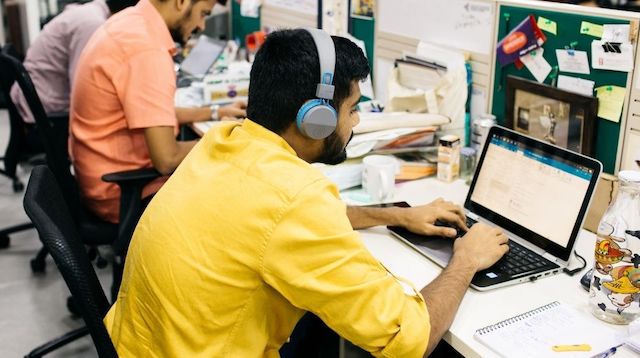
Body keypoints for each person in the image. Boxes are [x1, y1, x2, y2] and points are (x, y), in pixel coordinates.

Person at [104, 28, 509, 357]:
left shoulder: (225, 142)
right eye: (353, 109)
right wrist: (465, 262)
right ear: (316, 119)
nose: (356, 121)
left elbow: (276, 222)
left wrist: (396, 215)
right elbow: (409, 340)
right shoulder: (295, 196)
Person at [69, 0, 242, 223]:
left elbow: (151, 111)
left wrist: (215, 112)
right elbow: (167, 159)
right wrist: (237, 138)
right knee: (236, 191)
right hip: (123, 195)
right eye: (203, 14)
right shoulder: (147, 50)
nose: (201, 26)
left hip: (100, 181)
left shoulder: (130, 23)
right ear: (181, 2)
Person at [9, 0, 137, 124]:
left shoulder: (90, 11)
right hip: (47, 109)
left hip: (39, 96)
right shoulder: (92, 24)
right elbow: (82, 86)